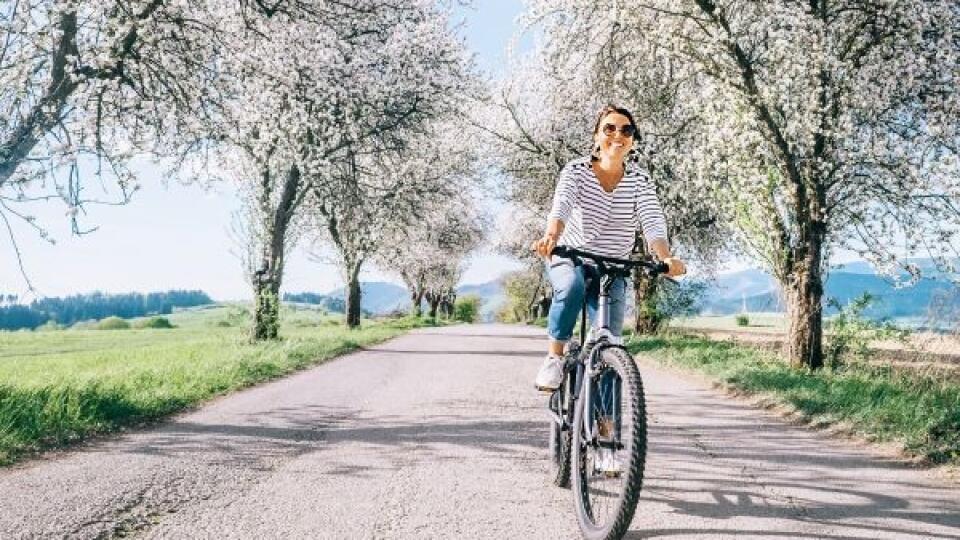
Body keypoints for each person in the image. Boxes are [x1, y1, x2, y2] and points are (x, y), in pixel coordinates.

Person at [532, 105, 686, 392]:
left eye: (626, 130)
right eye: (609, 129)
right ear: (596, 136)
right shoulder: (576, 171)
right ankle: (554, 356)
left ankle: (606, 425)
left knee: (611, 341)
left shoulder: (640, 180)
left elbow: (652, 220)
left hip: (614, 266)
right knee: (571, 287)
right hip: (571, 255)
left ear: (633, 141)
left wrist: (665, 257)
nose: (618, 135)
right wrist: (551, 236)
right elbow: (562, 205)